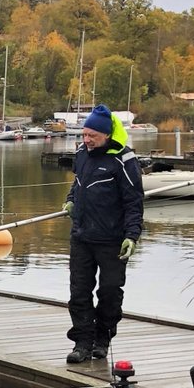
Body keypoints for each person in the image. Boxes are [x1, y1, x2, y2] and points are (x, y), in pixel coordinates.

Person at [62, 105, 144, 364]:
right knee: (79, 292)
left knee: (109, 292)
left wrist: (132, 236)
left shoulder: (124, 160)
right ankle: (82, 342)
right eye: (84, 135)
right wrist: (70, 200)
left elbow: (134, 202)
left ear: (106, 135)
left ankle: (103, 339)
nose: (86, 140)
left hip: (113, 240)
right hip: (82, 237)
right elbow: (78, 184)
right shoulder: (82, 154)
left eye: (92, 136)